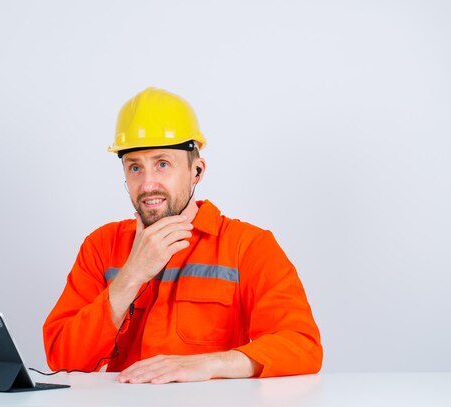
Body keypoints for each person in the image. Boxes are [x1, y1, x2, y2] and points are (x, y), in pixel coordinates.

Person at [43, 87, 322, 383]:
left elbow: (302, 345)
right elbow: (62, 358)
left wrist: (211, 364)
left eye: (162, 164)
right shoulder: (101, 245)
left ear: (196, 171)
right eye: (135, 167)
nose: (148, 183)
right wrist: (131, 276)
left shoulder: (248, 246)